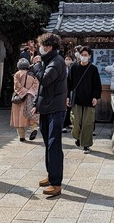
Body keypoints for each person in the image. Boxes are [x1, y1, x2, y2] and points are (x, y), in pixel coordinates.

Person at [31, 33, 67, 197]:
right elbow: (43, 89)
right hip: (47, 107)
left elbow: (44, 81)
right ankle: (51, 175)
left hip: (55, 109)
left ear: (50, 47)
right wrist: (36, 105)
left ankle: (56, 183)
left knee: (54, 144)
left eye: (43, 46)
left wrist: (37, 66)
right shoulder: (49, 61)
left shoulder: (56, 62)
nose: (41, 48)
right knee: (48, 143)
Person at [67, 46, 101, 154]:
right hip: (76, 99)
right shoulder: (73, 67)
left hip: (89, 100)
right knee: (75, 121)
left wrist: (95, 97)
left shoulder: (93, 69)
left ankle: (86, 145)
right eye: (82, 55)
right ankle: (77, 137)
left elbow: (97, 85)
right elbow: (68, 83)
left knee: (87, 124)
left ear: (90, 56)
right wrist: (67, 96)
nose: (84, 57)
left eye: (86, 55)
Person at [10, 58, 39, 142]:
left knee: (18, 117)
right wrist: (29, 92)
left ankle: (22, 136)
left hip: (19, 99)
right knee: (31, 114)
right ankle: (34, 128)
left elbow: (17, 86)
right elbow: (36, 86)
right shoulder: (33, 75)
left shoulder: (17, 74)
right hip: (30, 98)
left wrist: (24, 92)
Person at [62, 53, 74, 133]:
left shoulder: (73, 68)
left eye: (69, 59)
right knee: (64, 107)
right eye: (66, 59)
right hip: (63, 89)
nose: (68, 61)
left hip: (70, 89)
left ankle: (67, 123)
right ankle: (62, 125)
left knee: (69, 106)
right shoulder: (62, 68)